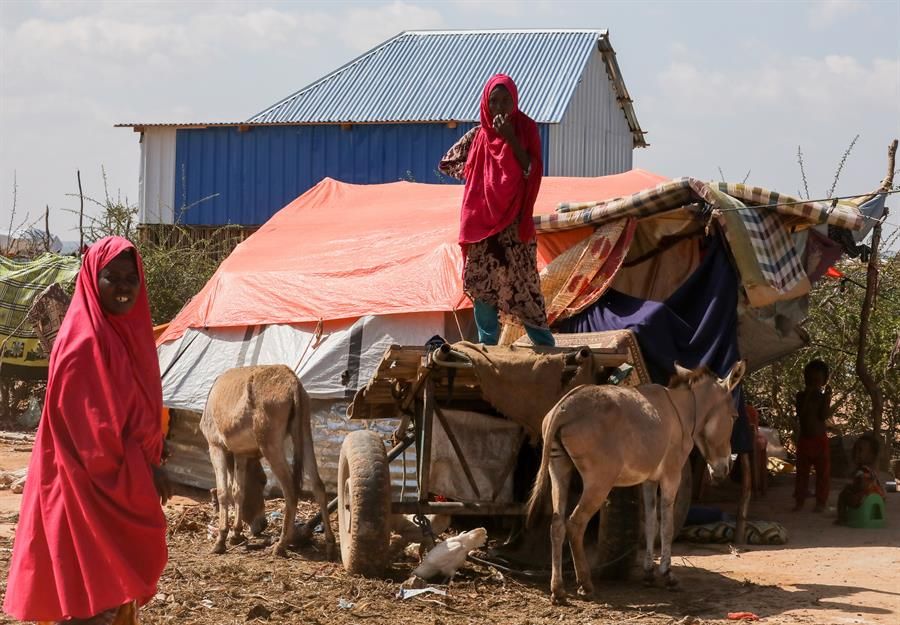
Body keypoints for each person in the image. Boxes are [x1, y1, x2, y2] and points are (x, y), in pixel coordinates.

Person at [4, 237, 171, 625]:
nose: (124, 287)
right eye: (112, 277)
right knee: (89, 596)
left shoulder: (123, 336)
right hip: (84, 493)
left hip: (107, 488)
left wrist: (150, 459)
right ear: (92, 280)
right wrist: (143, 470)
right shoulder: (85, 343)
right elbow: (93, 441)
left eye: (132, 278)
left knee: (105, 596)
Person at [440, 74, 554, 346]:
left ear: (515, 102)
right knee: (483, 286)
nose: (500, 107)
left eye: (506, 101)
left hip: (514, 222)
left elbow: (532, 169)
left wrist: (510, 139)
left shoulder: (525, 129)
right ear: (486, 104)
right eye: (494, 101)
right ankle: (487, 348)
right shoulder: (479, 134)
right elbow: (448, 162)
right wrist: (474, 174)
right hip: (481, 223)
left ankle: (544, 345)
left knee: (524, 285)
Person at [793, 359, 832, 512]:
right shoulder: (800, 396)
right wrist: (808, 395)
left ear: (823, 381)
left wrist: (827, 398)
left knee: (823, 473)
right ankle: (799, 501)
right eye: (810, 380)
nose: (813, 383)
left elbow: (823, 416)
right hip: (805, 440)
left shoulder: (822, 398)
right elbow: (800, 414)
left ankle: (821, 502)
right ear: (805, 379)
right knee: (802, 473)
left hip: (820, 440)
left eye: (817, 380)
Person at [836, 432, 886, 525]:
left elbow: (863, 485)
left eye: (860, 450)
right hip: (879, 498)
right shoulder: (873, 470)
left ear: (871, 456)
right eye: (855, 449)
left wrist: (852, 488)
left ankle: (842, 518)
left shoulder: (862, 470)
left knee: (843, 495)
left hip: (865, 498)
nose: (856, 453)